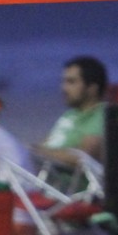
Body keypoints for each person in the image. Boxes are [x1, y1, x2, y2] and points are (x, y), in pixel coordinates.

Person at [30, 55, 109, 184]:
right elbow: (47, 144)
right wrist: (35, 151)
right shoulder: (70, 115)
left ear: (92, 88)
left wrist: (41, 152)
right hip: (46, 175)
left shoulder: (100, 115)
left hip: (67, 188)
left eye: (71, 82)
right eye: (64, 82)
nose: (64, 88)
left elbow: (84, 158)